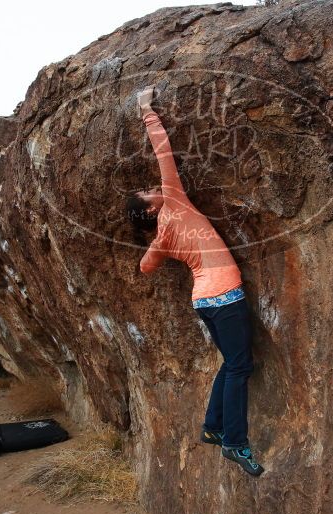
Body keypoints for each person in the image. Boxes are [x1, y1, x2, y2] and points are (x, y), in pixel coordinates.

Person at [126, 86, 264, 477]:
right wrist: (146, 110)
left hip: (203, 302)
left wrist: (156, 244)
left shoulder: (163, 235)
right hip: (224, 296)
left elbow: (145, 266)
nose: (156, 187)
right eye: (150, 191)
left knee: (231, 362)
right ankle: (236, 442)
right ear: (153, 205)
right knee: (240, 368)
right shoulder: (175, 203)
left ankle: (213, 427)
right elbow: (162, 152)